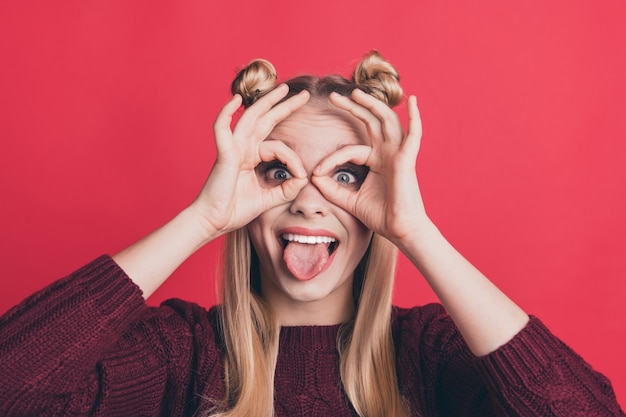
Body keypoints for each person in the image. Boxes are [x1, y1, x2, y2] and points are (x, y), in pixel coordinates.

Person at [0, 51, 623, 417]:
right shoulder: (182, 352)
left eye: (347, 175)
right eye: (278, 170)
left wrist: (416, 230)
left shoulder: (429, 353)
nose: (306, 199)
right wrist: (202, 218)